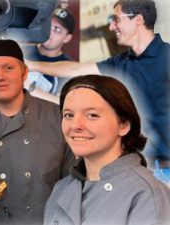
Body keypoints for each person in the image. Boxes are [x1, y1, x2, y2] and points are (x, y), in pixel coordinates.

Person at [27, 0, 169, 179]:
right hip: (137, 168)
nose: (111, 27)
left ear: (138, 20)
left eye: (116, 19)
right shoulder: (121, 62)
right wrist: (29, 65)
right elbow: (75, 69)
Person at [0, 40, 73, 225]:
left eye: (8, 68)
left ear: (24, 72)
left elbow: (74, 185)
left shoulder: (57, 118)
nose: (0, 77)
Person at [43, 75, 170, 224]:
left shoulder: (147, 193)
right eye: (68, 115)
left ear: (123, 125)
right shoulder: (61, 189)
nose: (75, 125)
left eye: (92, 115)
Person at [23, 9, 76, 100]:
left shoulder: (69, 69)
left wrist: (29, 88)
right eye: (48, 26)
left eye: (57, 29)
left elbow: (63, 104)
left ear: (67, 38)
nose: (49, 32)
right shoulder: (21, 51)